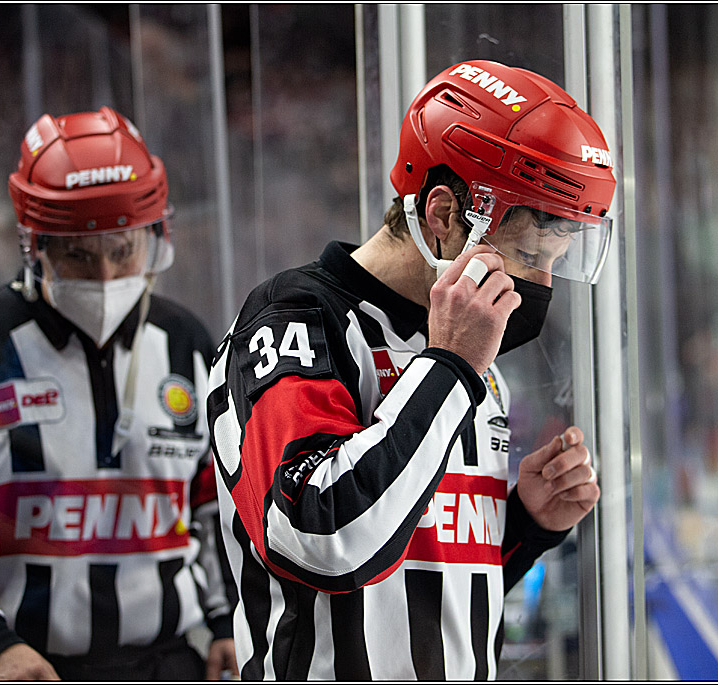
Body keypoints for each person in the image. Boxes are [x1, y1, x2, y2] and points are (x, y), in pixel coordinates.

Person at [207, 60, 616, 679]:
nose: (541, 283)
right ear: (444, 214)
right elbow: (323, 535)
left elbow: (421, 588)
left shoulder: (466, 348)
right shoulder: (295, 320)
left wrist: (524, 527)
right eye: (529, 254)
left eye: (554, 260)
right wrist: (450, 367)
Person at [0, 107, 238, 681]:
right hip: (12, 666)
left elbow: (214, 506)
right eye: (79, 255)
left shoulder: (189, 345)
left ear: (155, 236)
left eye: (122, 249)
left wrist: (226, 622)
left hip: (165, 665)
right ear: (36, 246)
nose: (106, 277)